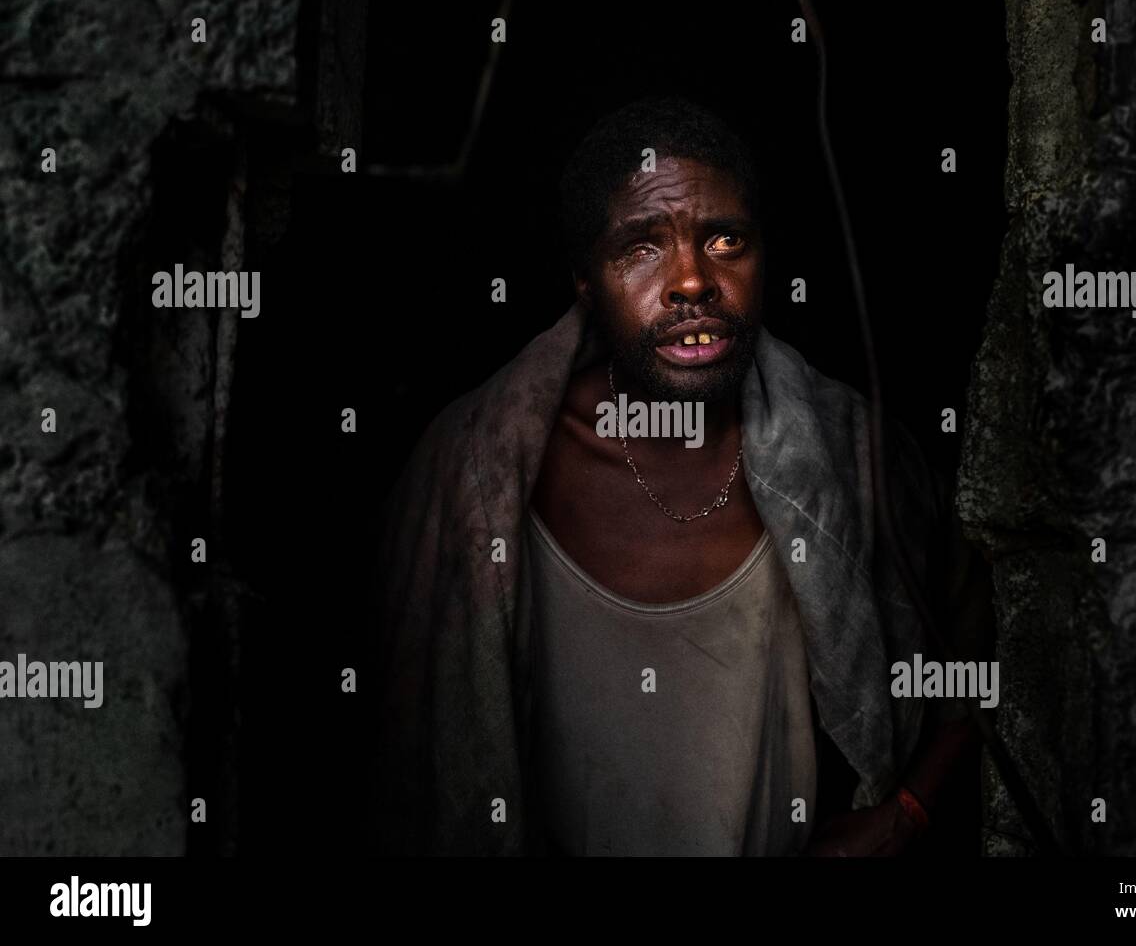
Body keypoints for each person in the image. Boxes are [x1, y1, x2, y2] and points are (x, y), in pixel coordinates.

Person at [365, 96, 989, 856]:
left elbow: (984, 649)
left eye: (726, 239)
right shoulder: (474, 475)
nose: (692, 281)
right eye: (642, 247)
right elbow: (385, 758)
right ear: (587, 285)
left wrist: (905, 816)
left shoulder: (848, 451)